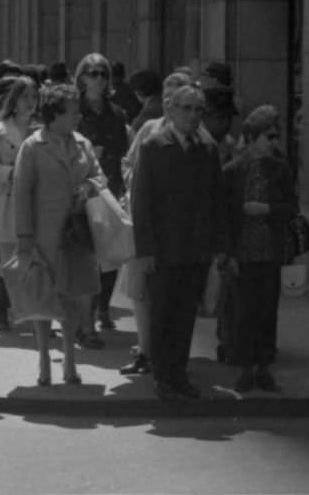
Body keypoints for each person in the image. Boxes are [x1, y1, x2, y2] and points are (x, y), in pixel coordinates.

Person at [130, 81, 228, 400]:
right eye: (186, 108)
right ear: (171, 109)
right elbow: (141, 201)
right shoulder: (154, 146)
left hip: (196, 247)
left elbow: (217, 200)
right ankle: (162, 375)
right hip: (163, 246)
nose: (192, 115)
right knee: (162, 313)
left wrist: (217, 247)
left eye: (198, 109)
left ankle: (179, 372)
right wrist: (144, 249)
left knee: (186, 314)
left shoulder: (208, 148)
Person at [12, 80, 106, 386]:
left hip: (76, 234)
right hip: (44, 235)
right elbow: (21, 193)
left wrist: (89, 186)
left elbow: (100, 176)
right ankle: (42, 359)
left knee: (71, 297)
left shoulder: (83, 143)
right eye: (73, 110)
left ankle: (69, 358)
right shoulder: (33, 146)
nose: (78, 116)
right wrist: (24, 237)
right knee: (43, 297)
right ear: (55, 113)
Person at [223, 106, 297, 393]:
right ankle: (244, 367)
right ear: (252, 138)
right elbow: (225, 215)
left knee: (267, 310)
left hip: (269, 250)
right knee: (243, 312)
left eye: (277, 136)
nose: (275, 142)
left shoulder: (280, 170)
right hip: (242, 252)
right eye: (270, 136)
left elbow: (291, 208)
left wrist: (266, 209)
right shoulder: (233, 171)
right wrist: (226, 253)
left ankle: (264, 366)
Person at [74, 52, 130, 339]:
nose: (98, 79)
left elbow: (122, 152)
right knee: (84, 253)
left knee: (109, 252)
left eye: (103, 74)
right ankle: (85, 317)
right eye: (93, 73)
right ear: (82, 77)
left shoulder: (117, 113)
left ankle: (103, 307)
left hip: (109, 189)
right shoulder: (74, 110)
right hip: (80, 190)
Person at [0, 74, 38, 332]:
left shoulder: (41, 130)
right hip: (6, 200)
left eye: (34, 97)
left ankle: (28, 309)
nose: (30, 102)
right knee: (8, 258)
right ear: (14, 101)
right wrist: (12, 172)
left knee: (32, 257)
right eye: (25, 97)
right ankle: (4, 310)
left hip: (35, 202)